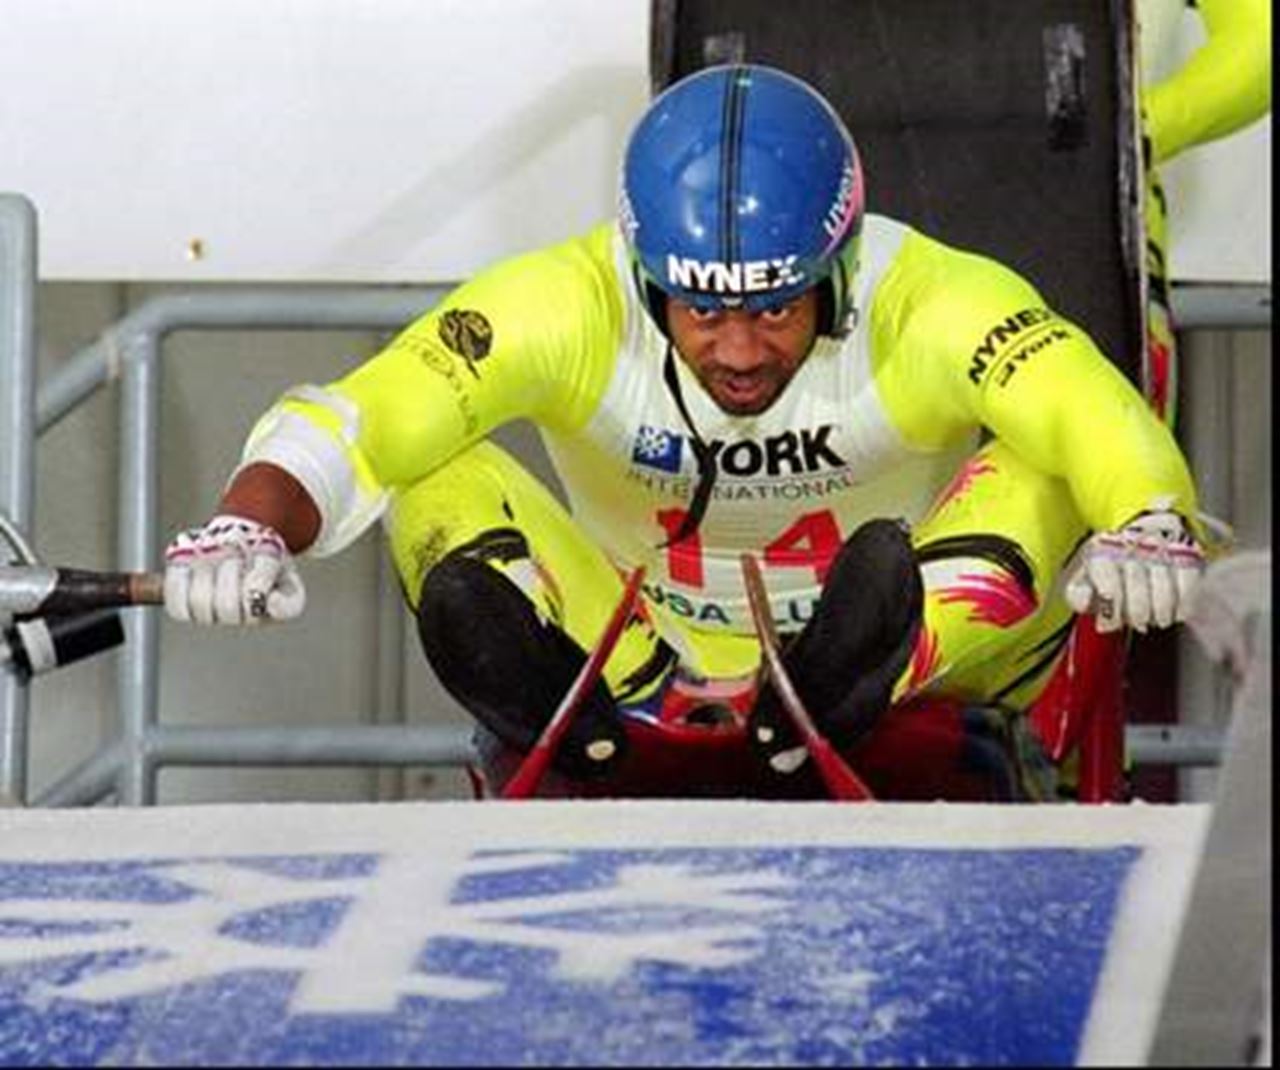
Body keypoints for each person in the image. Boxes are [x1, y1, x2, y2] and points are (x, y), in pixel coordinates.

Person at [162, 64, 1209, 802]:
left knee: (1046, 466)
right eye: (700, 308)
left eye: (778, 307)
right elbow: (367, 414)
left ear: (841, 266)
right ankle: (571, 710)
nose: (739, 349)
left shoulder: (930, 297)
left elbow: (1089, 405)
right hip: (636, 662)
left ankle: (858, 669)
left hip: (916, 661)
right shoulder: (566, 302)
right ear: (643, 272)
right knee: (430, 470)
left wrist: (1149, 517)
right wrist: (249, 523)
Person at [1139, 0, 1271, 426]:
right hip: (944, 220)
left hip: (1099, 231)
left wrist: (1136, 129)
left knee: (1106, 452)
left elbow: (1261, 34)